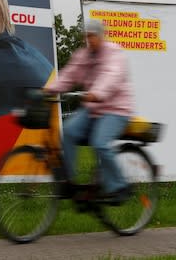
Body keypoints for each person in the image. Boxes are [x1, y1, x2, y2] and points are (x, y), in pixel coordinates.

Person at [45, 19, 134, 200]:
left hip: (116, 110)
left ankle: (119, 186)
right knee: (68, 132)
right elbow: (69, 75)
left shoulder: (114, 53)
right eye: (87, 36)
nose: (89, 40)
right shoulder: (83, 56)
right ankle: (69, 182)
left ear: (101, 36)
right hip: (93, 109)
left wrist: (97, 93)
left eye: (93, 36)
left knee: (99, 143)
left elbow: (112, 75)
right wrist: (49, 89)